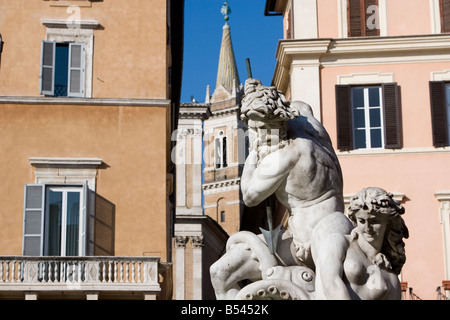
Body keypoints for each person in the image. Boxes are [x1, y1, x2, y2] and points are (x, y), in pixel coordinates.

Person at [313, 187, 409, 300]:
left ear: (388, 223)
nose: (367, 228)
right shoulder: (339, 242)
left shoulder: (390, 276)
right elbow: (331, 284)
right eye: (362, 221)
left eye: (374, 221)